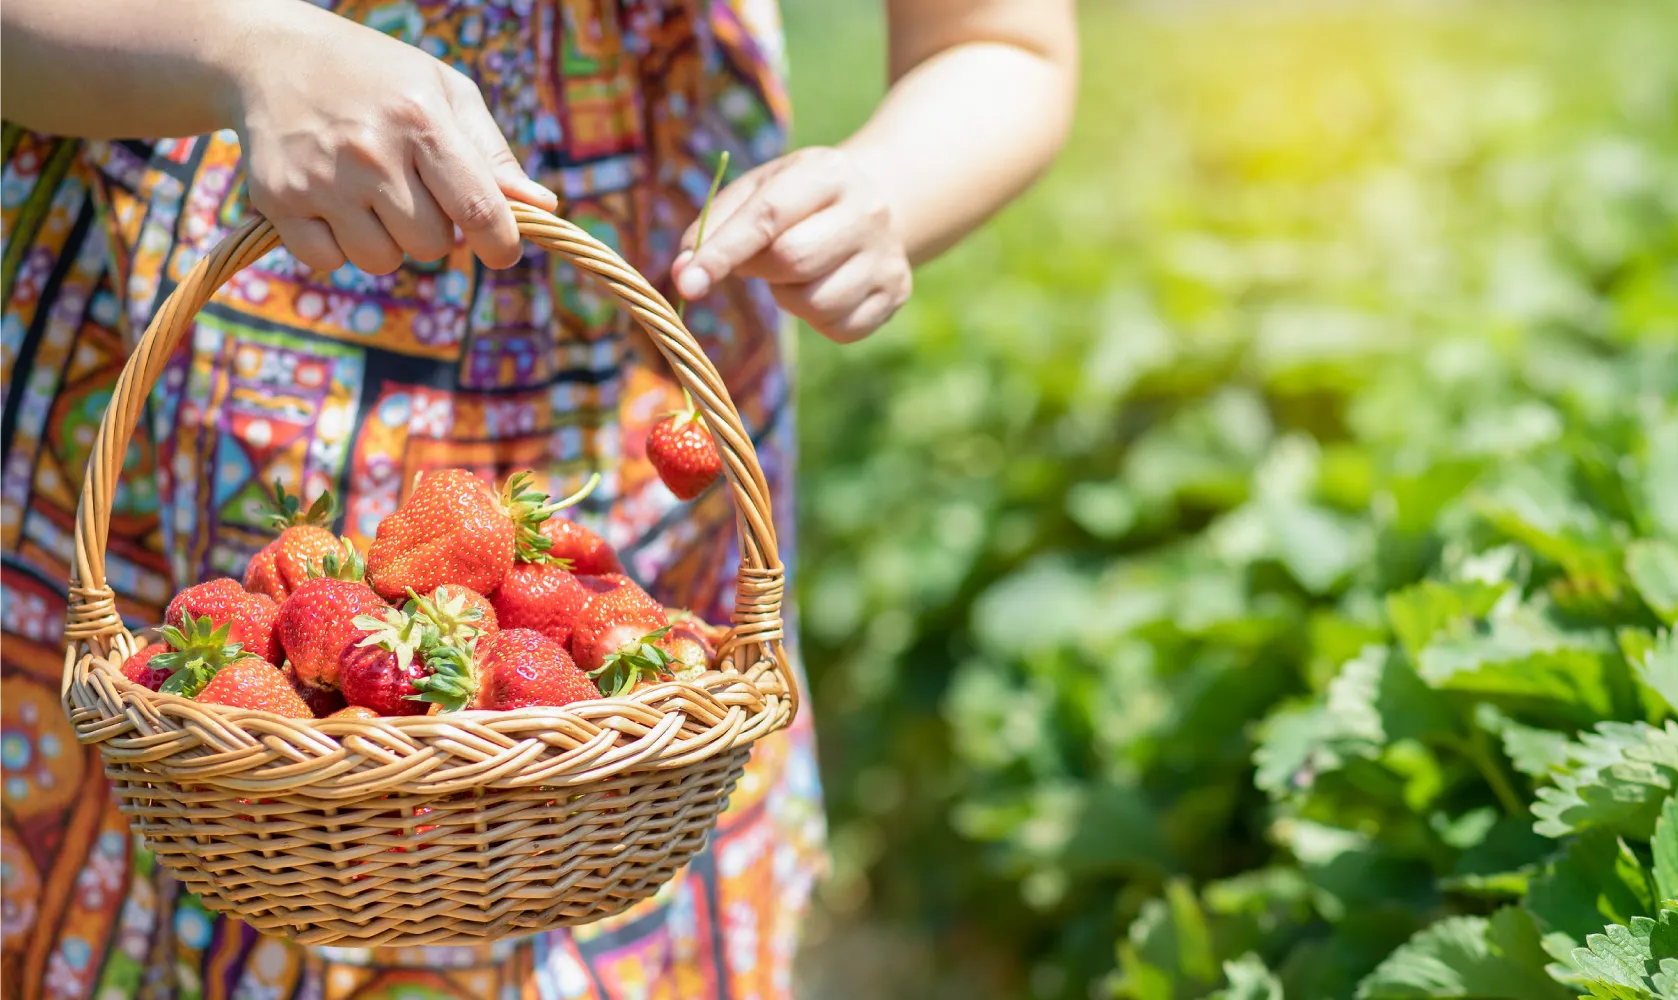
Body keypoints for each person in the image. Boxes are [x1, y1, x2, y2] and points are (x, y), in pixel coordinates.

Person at [0, 0, 1075, 996]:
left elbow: (1000, 44)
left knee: (627, 781)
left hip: (642, 439)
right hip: (135, 406)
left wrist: (882, 190)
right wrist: (242, 46)